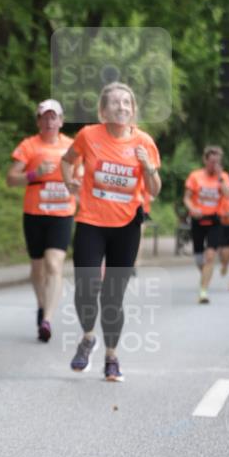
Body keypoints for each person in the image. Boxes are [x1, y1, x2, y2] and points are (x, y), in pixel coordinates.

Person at [60, 82, 161, 382]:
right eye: (115, 103)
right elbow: (66, 161)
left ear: (133, 110)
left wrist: (148, 167)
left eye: (126, 103)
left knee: (113, 297)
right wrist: (69, 182)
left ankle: (112, 357)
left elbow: (155, 189)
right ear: (103, 111)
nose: (121, 107)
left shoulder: (144, 143)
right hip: (91, 222)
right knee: (85, 287)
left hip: (127, 226)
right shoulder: (88, 135)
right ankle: (88, 337)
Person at [7, 100, 75, 342]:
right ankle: (42, 304)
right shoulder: (29, 145)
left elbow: (83, 173)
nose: (49, 122)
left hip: (62, 214)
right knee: (37, 268)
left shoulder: (72, 146)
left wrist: (77, 181)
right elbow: (11, 179)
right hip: (35, 213)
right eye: (44, 117)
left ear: (61, 121)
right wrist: (35, 174)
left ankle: (47, 319)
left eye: (53, 117)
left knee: (54, 264)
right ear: (38, 121)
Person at [184, 146, 229, 303]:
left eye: (217, 162)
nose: (214, 165)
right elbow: (187, 198)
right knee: (199, 258)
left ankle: (203, 292)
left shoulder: (223, 177)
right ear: (205, 160)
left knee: (210, 256)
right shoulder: (195, 176)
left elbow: (228, 195)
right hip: (198, 219)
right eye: (211, 162)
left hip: (215, 221)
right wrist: (192, 208)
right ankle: (205, 275)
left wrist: (220, 178)